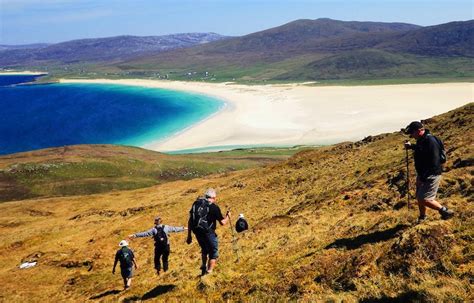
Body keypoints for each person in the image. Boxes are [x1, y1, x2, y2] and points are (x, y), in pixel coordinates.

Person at [404, 121, 454, 223]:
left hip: (431, 174)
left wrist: (423, 177)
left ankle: (445, 211)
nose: (411, 136)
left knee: (424, 198)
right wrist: (411, 146)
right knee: (419, 196)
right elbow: (422, 149)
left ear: (418, 131)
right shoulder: (423, 139)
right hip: (424, 173)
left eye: (412, 133)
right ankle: (423, 216)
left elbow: (434, 162)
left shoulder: (430, 141)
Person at [187, 188, 230, 275]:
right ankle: (209, 273)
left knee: (204, 248)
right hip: (208, 233)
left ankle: (203, 265)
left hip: (197, 232)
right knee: (213, 252)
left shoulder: (196, 204)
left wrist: (189, 236)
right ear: (213, 197)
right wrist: (228, 216)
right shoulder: (214, 207)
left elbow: (190, 220)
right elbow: (222, 223)